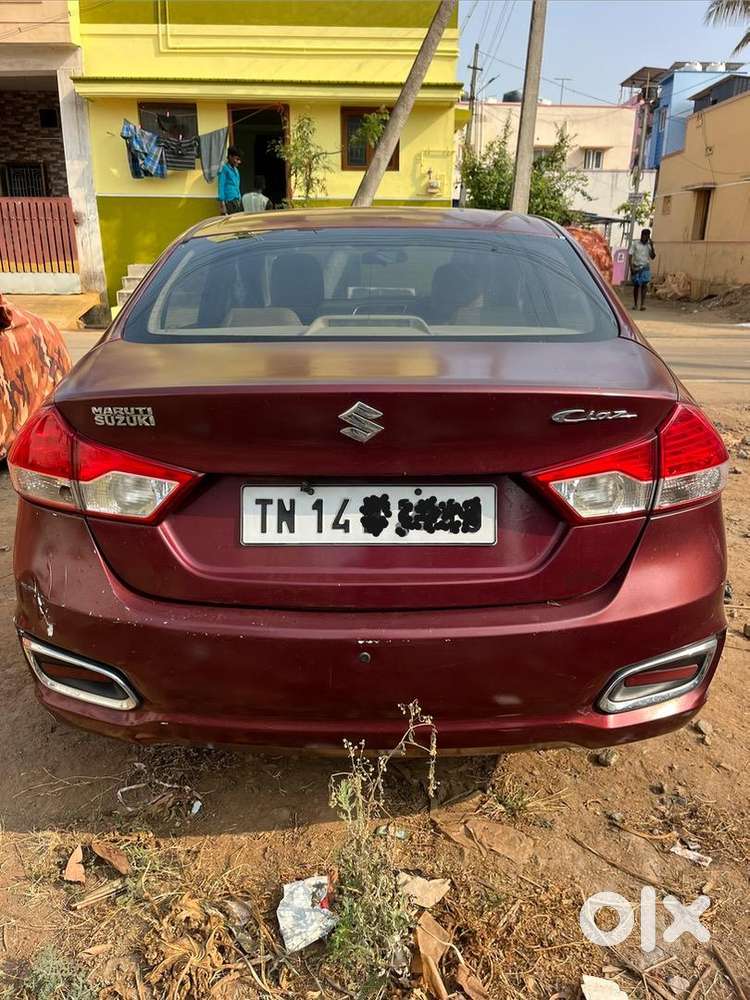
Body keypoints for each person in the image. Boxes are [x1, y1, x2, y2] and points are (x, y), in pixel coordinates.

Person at [630, 228, 655, 311]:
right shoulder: (635, 243)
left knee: (644, 285)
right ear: (641, 235)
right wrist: (631, 267)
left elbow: (653, 257)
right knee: (636, 285)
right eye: (644, 236)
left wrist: (652, 246)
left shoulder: (649, 245)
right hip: (636, 266)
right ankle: (635, 304)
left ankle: (642, 305)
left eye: (647, 236)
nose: (645, 238)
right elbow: (630, 255)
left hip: (645, 267)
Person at [217, 146, 243, 215]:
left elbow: (237, 186)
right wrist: (222, 204)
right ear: (230, 157)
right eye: (237, 159)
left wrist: (240, 199)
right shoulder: (224, 169)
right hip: (228, 201)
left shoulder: (236, 171)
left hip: (237, 201)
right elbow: (221, 186)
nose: (239, 162)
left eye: (239, 159)